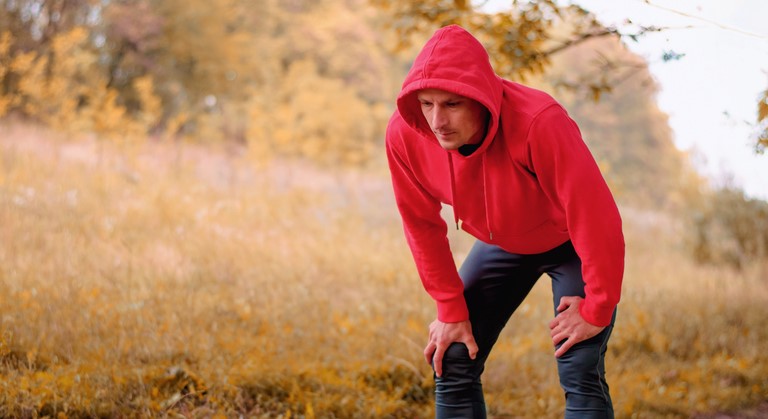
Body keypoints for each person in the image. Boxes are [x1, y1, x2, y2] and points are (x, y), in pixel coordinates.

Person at [385, 25, 624, 418]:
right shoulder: (405, 134)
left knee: (579, 363)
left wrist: (597, 307)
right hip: (501, 243)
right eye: (426, 103)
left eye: (452, 104)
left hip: (571, 243)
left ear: (481, 98)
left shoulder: (539, 121)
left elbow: (593, 215)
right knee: (453, 355)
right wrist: (450, 309)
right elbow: (421, 224)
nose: (437, 120)